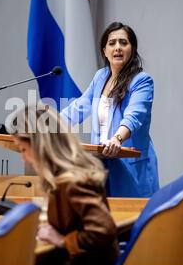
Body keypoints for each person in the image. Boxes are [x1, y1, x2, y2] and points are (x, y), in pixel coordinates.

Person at [8, 106, 119, 265]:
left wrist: (62, 240)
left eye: (23, 149)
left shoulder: (72, 181)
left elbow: (102, 231)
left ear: (41, 146)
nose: (23, 157)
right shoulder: (63, 177)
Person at [61, 22, 159, 197]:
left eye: (123, 42)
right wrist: (46, 125)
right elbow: (78, 108)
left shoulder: (142, 81)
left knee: (133, 222)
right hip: (102, 165)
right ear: (104, 50)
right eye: (112, 43)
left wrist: (117, 138)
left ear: (132, 49)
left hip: (131, 167)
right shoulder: (101, 77)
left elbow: (134, 116)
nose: (118, 47)